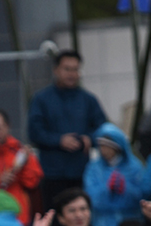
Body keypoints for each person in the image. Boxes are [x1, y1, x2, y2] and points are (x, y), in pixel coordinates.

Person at [28, 49, 106, 209]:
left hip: (82, 172)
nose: (72, 74)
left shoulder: (88, 100)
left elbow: (103, 129)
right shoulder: (41, 99)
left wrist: (89, 138)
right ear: (56, 70)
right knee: (54, 220)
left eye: (75, 69)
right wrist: (59, 140)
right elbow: (34, 132)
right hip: (52, 173)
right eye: (67, 69)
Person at [83, 122, 144, 226]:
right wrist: (107, 189)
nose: (103, 150)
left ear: (117, 147)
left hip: (129, 224)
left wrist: (125, 189)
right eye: (101, 146)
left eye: (107, 146)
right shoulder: (94, 168)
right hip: (101, 225)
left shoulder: (135, 167)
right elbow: (90, 197)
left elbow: (142, 195)